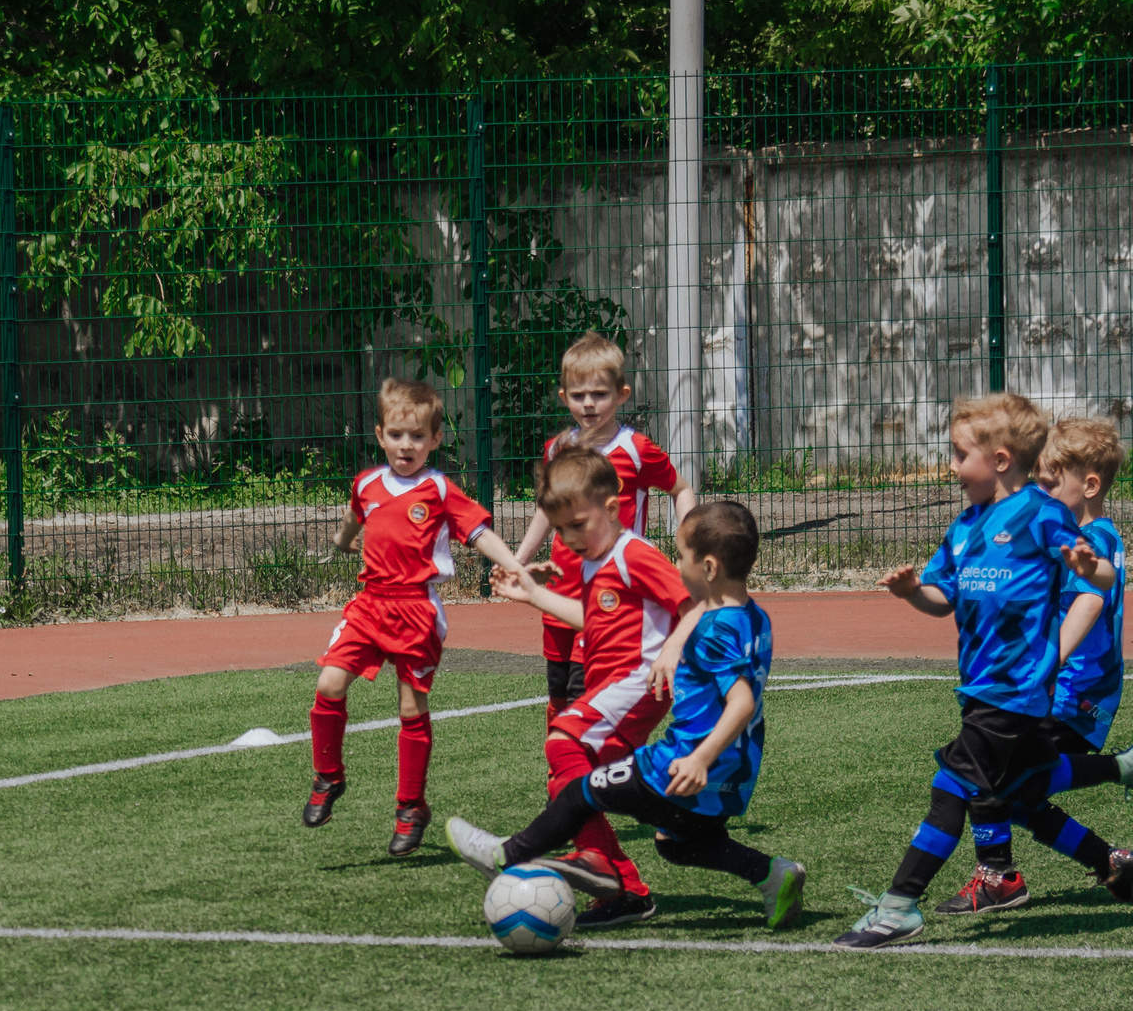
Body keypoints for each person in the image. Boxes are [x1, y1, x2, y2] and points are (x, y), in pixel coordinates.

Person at [838, 393, 1124, 950]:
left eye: (958, 453)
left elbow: (1101, 582)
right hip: (979, 691)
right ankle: (1111, 863)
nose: (950, 465)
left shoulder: (1044, 516)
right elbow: (940, 598)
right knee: (1019, 792)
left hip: (1017, 696)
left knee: (952, 786)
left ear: (999, 459)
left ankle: (900, 906)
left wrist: (1096, 567)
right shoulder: (967, 526)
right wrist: (910, 591)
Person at [449, 501, 809, 929]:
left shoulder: (714, 630)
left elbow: (742, 701)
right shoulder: (754, 618)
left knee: (582, 791)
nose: (676, 566)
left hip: (682, 764)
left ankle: (505, 855)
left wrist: (699, 758)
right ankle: (770, 874)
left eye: (680, 556)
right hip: (735, 771)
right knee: (679, 844)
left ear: (709, 568)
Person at [305, 378, 527, 856]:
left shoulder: (440, 489)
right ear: (381, 435)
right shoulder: (366, 483)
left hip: (417, 610)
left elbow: (479, 533)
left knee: (410, 708)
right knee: (328, 685)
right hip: (370, 604)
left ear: (435, 440)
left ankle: (411, 807)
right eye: (398, 435)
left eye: (418, 437)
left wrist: (513, 566)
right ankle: (328, 776)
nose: (407, 446)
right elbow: (354, 517)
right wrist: (343, 544)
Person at [484, 448, 694, 925]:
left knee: (562, 741)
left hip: (638, 679)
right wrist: (534, 595)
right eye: (560, 530)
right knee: (570, 782)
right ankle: (626, 891)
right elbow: (593, 623)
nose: (568, 538)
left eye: (578, 524)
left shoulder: (635, 553)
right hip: (612, 686)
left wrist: (672, 648)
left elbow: (694, 606)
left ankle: (579, 858)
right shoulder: (595, 562)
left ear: (614, 508)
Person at [943, 415, 1133, 912]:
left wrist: (1049, 661)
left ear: (1089, 485)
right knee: (1017, 791)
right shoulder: (1060, 535)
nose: (1040, 494)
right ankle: (1110, 862)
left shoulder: (1095, 540)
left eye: (1049, 484)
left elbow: (1089, 603)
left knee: (983, 775)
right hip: (1055, 691)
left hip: (1072, 693)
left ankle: (999, 876)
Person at [510, 332, 695, 725]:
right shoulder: (556, 449)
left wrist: (687, 545)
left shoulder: (636, 448)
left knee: (587, 695)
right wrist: (519, 558)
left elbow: (681, 489)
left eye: (599, 394)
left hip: (613, 594)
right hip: (562, 588)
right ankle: (562, 778)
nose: (589, 404)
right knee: (559, 696)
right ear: (564, 397)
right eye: (578, 396)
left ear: (621, 394)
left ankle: (590, 775)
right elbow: (548, 511)